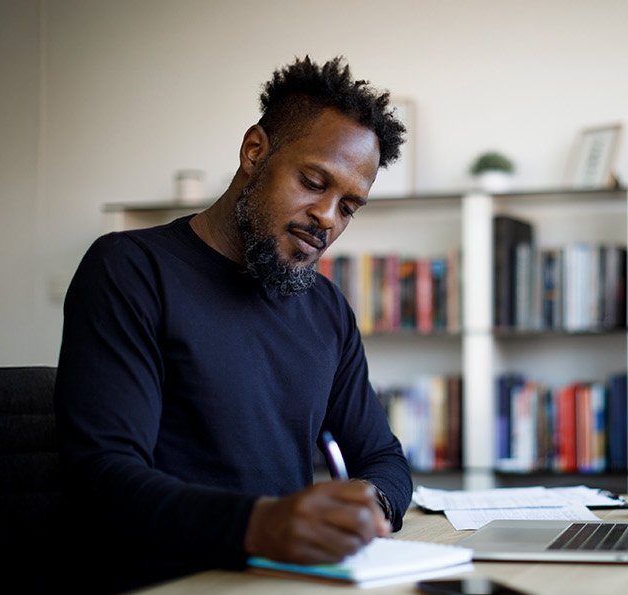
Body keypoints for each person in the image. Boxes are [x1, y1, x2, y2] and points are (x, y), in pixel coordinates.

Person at [54, 56, 412, 592]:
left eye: (349, 207)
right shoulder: (130, 270)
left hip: (282, 580)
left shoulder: (327, 310)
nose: (328, 218)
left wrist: (370, 504)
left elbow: (381, 456)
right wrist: (261, 524)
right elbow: (103, 478)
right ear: (254, 151)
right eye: (314, 182)